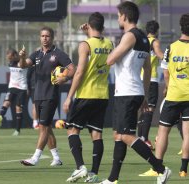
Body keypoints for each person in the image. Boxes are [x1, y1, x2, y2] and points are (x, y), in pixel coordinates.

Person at [99, 2, 171, 184]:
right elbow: (147, 69)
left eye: (118, 15)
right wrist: (145, 95)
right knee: (118, 135)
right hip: (133, 90)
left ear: (124, 16)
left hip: (127, 92)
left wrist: (113, 50)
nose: (117, 18)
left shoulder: (129, 36)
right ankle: (113, 178)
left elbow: (110, 60)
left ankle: (160, 168)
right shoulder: (144, 38)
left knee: (125, 135)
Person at [62, 12, 113, 183]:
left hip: (86, 94)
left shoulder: (85, 45)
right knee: (96, 134)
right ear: (103, 27)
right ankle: (93, 173)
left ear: (89, 26)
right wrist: (89, 33)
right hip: (103, 95)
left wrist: (69, 97)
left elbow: (80, 71)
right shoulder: (109, 43)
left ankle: (80, 167)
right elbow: (98, 49)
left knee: (72, 130)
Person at [18, 26, 75, 166]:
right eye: (42, 36)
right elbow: (23, 66)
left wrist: (65, 78)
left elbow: (73, 69)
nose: (45, 38)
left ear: (52, 37)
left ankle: (35, 158)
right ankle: (56, 158)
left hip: (51, 96)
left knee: (42, 127)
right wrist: (22, 57)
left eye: (47, 36)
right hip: (38, 95)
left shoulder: (58, 54)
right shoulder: (37, 54)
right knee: (47, 127)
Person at [147, 13, 189, 178]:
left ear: (180, 27)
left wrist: (170, 88)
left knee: (163, 131)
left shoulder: (171, 48)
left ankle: (158, 168)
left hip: (173, 95)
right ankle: (183, 169)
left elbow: (165, 73)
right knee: (187, 133)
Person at [137, 20, 164, 150]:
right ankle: (144, 138)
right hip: (151, 79)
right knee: (150, 108)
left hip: (140, 78)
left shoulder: (142, 41)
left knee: (143, 107)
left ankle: (140, 136)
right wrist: (169, 57)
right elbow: (159, 54)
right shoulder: (154, 41)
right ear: (157, 30)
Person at [0, 48, 28, 136]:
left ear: (15, 55)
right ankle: (0, 116)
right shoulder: (11, 62)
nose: (9, 59)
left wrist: (22, 56)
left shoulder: (23, 62)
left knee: (18, 108)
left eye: (10, 57)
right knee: (6, 103)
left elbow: (22, 65)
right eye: (8, 58)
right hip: (12, 87)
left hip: (22, 88)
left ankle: (17, 130)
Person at [27, 64, 39, 129]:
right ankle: (35, 123)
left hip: (43, 86)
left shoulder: (45, 60)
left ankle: (43, 123)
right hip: (34, 86)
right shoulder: (32, 63)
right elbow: (28, 76)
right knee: (35, 104)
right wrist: (28, 88)